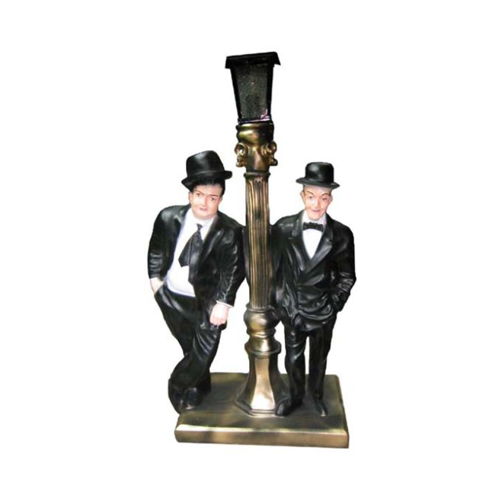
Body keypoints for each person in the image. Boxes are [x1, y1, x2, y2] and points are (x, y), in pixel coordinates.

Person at [148, 150, 245, 413]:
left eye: (213, 198)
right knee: (189, 347)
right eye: (199, 195)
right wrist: (156, 283)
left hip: (207, 303)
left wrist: (223, 303)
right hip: (172, 297)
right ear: (190, 195)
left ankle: (177, 386)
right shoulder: (168, 218)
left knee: (203, 352)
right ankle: (199, 387)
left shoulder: (230, 231)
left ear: (221, 199)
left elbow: (233, 270)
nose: (204, 203)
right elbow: (156, 250)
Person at [272, 162, 356, 417]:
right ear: (302, 196)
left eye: (323, 198)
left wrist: (333, 305)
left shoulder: (341, 234)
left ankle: (316, 396)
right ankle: (295, 396)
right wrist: (281, 302)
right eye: (311, 196)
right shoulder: (283, 228)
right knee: (293, 358)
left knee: (319, 358)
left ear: (331, 199)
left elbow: (347, 276)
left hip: (323, 310)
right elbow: (273, 270)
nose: (316, 204)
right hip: (294, 308)